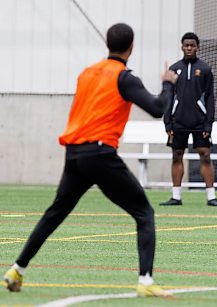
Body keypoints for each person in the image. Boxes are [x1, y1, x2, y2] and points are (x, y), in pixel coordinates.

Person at [3, 23, 178, 297]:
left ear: (107, 44)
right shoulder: (124, 77)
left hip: (74, 153)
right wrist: (168, 84)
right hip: (99, 154)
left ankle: (17, 269)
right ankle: (146, 281)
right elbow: (157, 108)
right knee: (144, 214)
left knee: (56, 212)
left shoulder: (86, 73)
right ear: (131, 47)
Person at [160, 32, 217, 207]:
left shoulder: (205, 69)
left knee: (205, 155)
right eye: (186, 45)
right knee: (176, 155)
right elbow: (168, 97)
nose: (189, 48)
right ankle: (176, 196)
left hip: (199, 122)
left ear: (197, 47)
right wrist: (168, 123)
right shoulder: (173, 69)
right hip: (178, 121)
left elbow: (210, 97)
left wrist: (208, 123)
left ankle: (211, 197)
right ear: (182, 46)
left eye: (192, 45)